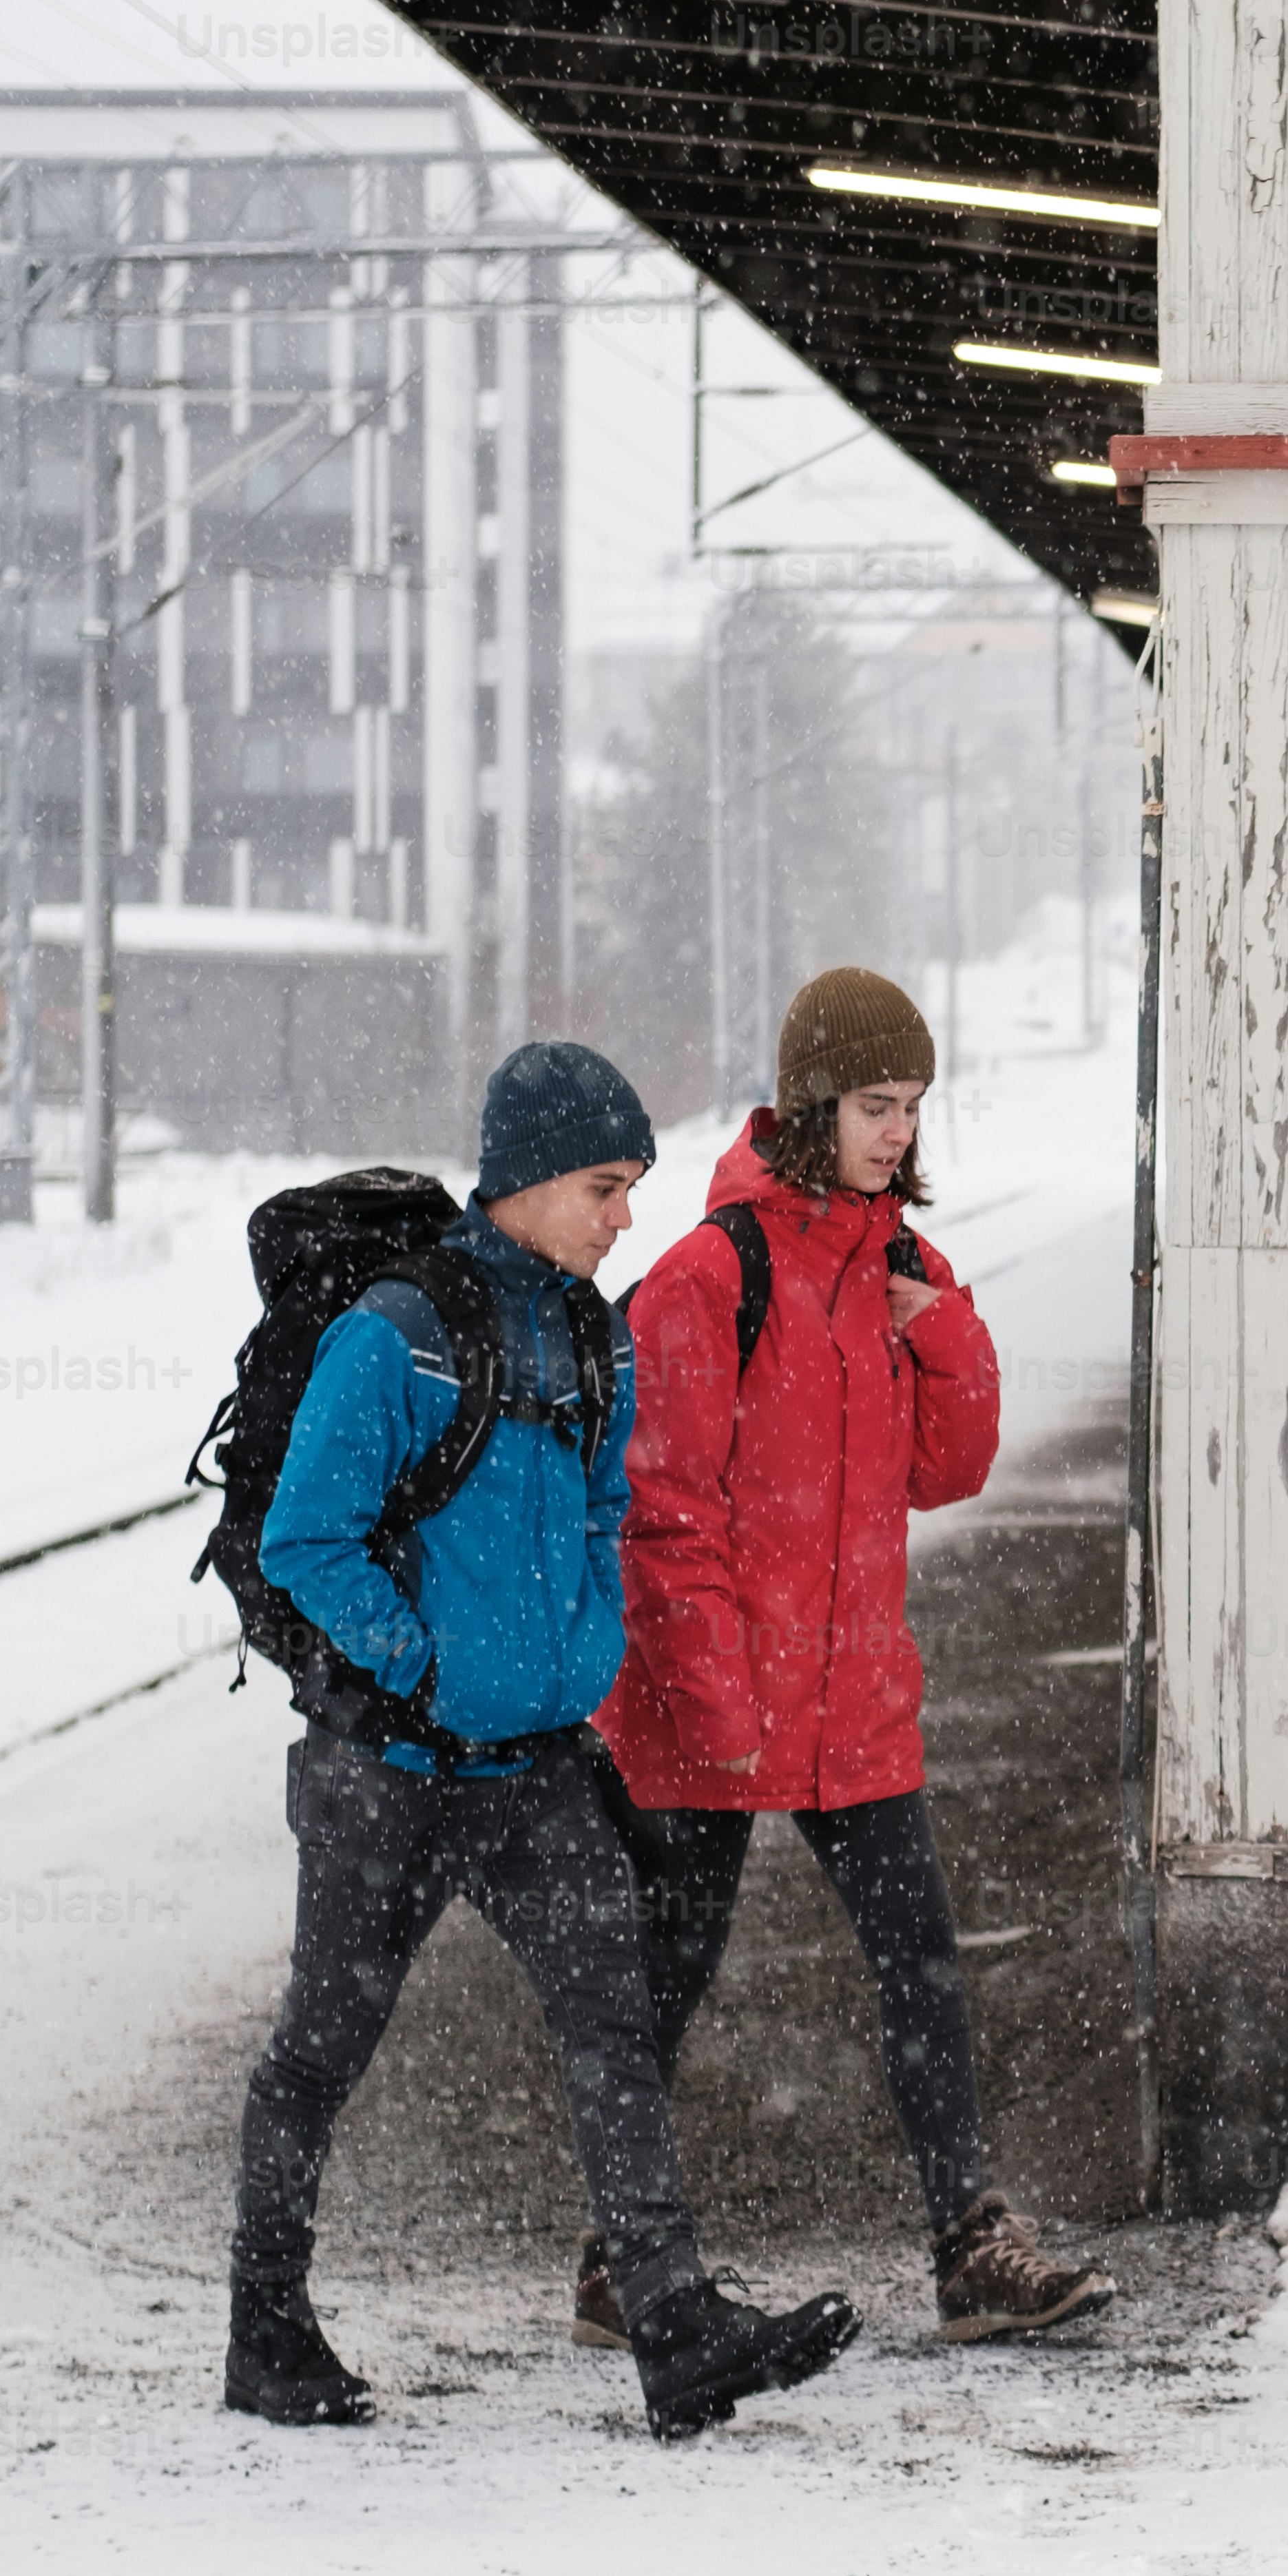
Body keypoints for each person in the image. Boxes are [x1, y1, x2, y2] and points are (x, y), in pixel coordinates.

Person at [226, 1038, 858, 2436]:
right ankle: (266, 2326)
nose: (625, 1214)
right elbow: (306, 1538)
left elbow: (593, 1518)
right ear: (521, 1180)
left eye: (631, 1186)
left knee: (612, 2028)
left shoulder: (590, 1329)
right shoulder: (392, 1332)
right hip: (384, 1773)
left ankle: (677, 2333)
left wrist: (581, 1658)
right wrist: (423, 1664)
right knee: (322, 2047)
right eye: (604, 1186)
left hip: (538, 1769)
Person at [591, 966, 1114, 2345]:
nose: (900, 1130)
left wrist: (939, 1328)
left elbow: (950, 1465)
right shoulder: (712, 1277)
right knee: (672, 1968)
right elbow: (665, 1511)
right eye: (878, 1102)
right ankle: (617, 2255)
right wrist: (715, 1702)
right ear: (813, 1099)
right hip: (713, 1702)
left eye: (914, 1105)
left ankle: (968, 2242)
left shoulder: (899, 1267)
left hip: (855, 1697)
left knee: (919, 1968)